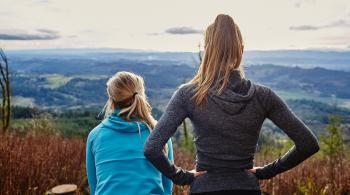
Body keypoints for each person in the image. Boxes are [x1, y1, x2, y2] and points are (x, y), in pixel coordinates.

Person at [144, 14, 320, 195]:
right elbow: (308, 143)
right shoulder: (263, 96)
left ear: (207, 50)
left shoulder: (189, 94)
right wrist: (266, 172)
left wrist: (183, 177)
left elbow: (152, 148)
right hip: (247, 189)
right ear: (241, 50)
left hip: (204, 189)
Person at [86, 71, 173, 195]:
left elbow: (94, 188)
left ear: (111, 100)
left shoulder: (95, 136)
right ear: (141, 96)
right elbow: (167, 188)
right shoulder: (158, 134)